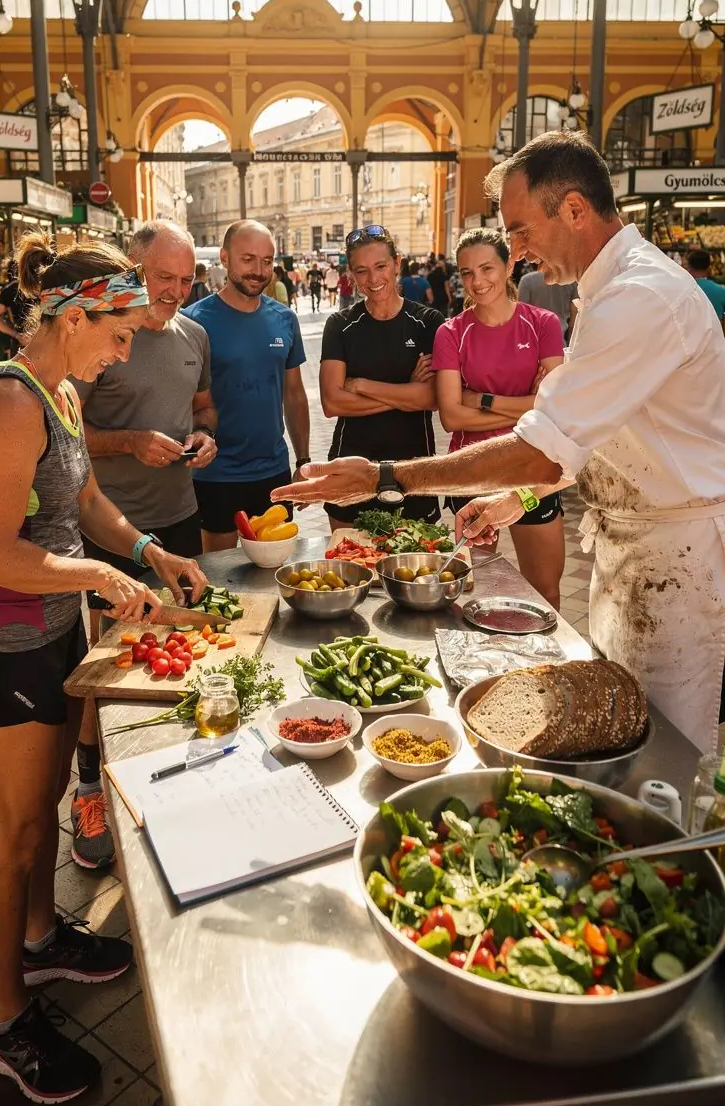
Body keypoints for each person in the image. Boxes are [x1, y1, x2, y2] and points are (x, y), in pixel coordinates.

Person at [273, 132, 725, 753]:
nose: (518, 250)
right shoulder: (612, 289)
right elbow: (593, 437)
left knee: (668, 750)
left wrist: (385, 476)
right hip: (638, 550)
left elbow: (545, 444)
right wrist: (517, 498)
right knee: (623, 727)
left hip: (679, 558)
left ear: (574, 209)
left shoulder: (638, 296)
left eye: (519, 230)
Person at [0, 234, 208, 1105]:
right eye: (119, 334)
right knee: (11, 835)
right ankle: (5, 1023)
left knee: (46, 803)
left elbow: (86, 499)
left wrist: (148, 551)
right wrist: (97, 574)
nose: (125, 352)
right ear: (76, 316)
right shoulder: (7, 403)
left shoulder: (57, 392)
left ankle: (42, 938)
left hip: (52, 633)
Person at [71, 222, 214, 870]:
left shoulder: (195, 336)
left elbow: (202, 408)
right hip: (110, 525)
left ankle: (176, 778)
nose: (176, 291)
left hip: (179, 519)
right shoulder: (104, 337)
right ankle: (90, 789)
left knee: (183, 656)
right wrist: (128, 441)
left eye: (185, 280)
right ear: (132, 269)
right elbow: (68, 429)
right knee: (109, 663)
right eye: (163, 277)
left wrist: (204, 437)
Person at [432, 228, 565, 607]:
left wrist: (482, 400)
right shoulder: (451, 332)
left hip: (533, 468)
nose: (477, 281)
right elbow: (451, 417)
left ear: (508, 267)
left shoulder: (543, 323)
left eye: (487, 268)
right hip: (472, 469)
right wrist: (527, 405)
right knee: (473, 591)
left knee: (545, 591)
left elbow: (555, 408)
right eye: (467, 273)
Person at [184, 220, 310, 552]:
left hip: (273, 471)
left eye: (267, 261)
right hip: (216, 474)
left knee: (274, 567)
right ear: (224, 258)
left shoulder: (285, 319)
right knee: (219, 569)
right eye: (248, 259)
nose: (258, 270)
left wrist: (303, 461)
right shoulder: (193, 322)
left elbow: (294, 395)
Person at [320, 225, 444, 531]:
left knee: (413, 559)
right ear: (351, 274)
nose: (373, 279)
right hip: (351, 463)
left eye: (380, 266)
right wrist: (407, 393)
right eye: (361, 271)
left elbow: (432, 398)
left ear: (397, 263)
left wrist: (361, 386)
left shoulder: (427, 322)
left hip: (413, 467)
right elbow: (332, 403)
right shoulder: (340, 325)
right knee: (350, 559)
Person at [0, 258, 35, 357]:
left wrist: (16, 335)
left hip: (21, 340)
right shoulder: (44, 285)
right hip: (41, 340)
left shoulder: (10, 289)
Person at [518, 267, 577, 344]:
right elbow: (574, 319)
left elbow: (521, 316)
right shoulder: (571, 281)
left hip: (534, 341)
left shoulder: (527, 280)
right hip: (559, 340)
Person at [685, 249, 725, 325]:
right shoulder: (721, 291)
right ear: (709, 268)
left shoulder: (681, 289)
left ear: (689, 267)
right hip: (714, 331)